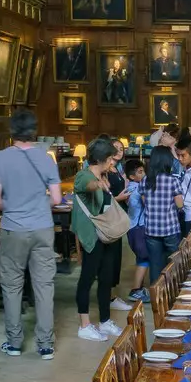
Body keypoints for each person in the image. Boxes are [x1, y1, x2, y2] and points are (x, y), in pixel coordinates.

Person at [0, 108, 63, 361]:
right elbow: (56, 198)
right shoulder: (46, 158)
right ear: (34, 131)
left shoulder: (0, 158)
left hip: (13, 229)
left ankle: (15, 342)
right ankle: (45, 345)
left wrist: (15, 203)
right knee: (44, 285)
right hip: (42, 228)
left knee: (11, 286)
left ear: (12, 131)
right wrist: (37, 204)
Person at [72, 137, 125, 341]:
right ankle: (84, 325)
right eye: (111, 158)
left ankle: (104, 320)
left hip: (106, 234)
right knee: (87, 278)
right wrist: (99, 185)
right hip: (91, 236)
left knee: (106, 277)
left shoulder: (105, 175)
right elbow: (88, 185)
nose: (113, 162)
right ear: (103, 159)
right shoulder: (83, 175)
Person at [133, 146, 185, 286]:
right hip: (170, 229)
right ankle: (172, 292)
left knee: (155, 265)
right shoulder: (173, 181)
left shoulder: (145, 181)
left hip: (151, 230)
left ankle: (156, 296)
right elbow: (180, 204)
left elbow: (144, 201)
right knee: (174, 263)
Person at [121, 154, 151, 304]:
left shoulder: (130, 187)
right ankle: (135, 290)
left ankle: (138, 289)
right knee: (144, 259)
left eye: (143, 170)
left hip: (133, 228)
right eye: (139, 172)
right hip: (138, 228)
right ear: (132, 177)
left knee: (142, 259)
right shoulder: (137, 190)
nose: (143, 174)